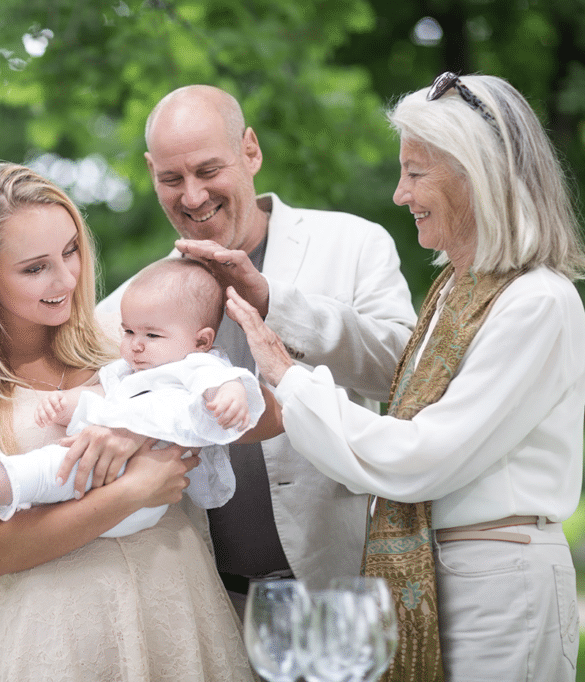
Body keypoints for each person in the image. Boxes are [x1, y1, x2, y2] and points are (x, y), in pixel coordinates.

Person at [225, 72, 585, 681]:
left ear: (478, 176)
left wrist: (289, 378)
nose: (400, 194)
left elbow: (421, 456)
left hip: (498, 585)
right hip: (452, 572)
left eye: (416, 173)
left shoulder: (537, 303)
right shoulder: (454, 293)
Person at [0, 161, 260, 681]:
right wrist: (135, 488)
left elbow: (256, 415)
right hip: (59, 635)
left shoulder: (128, 340)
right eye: (35, 268)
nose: (66, 278)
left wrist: (139, 427)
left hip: (175, 604)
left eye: (71, 250)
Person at [97, 84, 418, 614]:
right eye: (171, 179)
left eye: (208, 170)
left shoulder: (354, 242)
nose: (192, 197)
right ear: (151, 172)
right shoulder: (125, 308)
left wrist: (272, 301)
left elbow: (403, 373)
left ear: (250, 150)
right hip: (208, 604)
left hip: (339, 586)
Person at [0, 258, 265, 536]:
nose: (136, 345)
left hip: (141, 486)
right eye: (128, 331)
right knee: (45, 467)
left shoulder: (197, 365)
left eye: (152, 335)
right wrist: (68, 403)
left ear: (201, 340)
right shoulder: (130, 369)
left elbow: (227, 381)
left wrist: (231, 394)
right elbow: (101, 391)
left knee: (53, 469)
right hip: (104, 480)